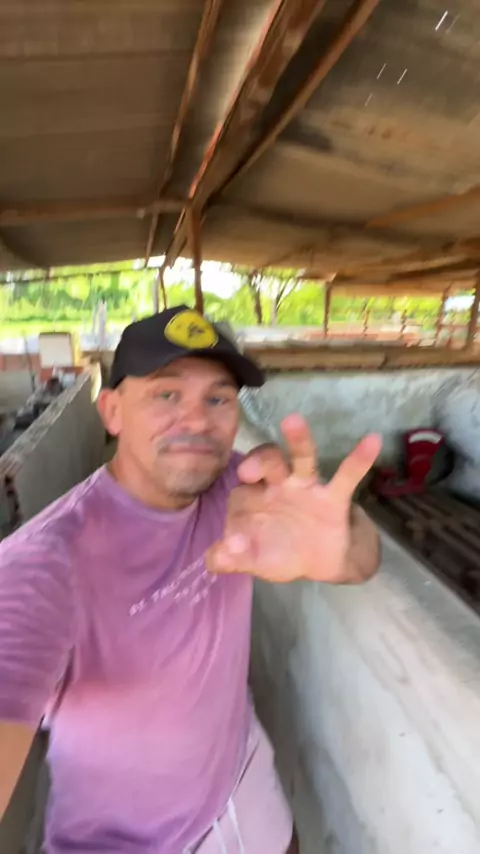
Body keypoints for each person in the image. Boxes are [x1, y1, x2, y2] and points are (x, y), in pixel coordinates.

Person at [0, 306, 381, 854]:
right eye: (167, 394)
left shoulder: (239, 490)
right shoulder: (42, 564)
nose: (198, 420)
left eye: (218, 399)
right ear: (112, 411)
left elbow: (365, 559)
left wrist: (341, 550)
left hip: (242, 782)